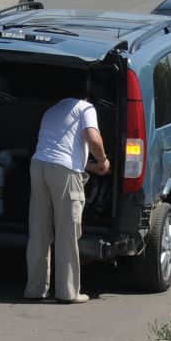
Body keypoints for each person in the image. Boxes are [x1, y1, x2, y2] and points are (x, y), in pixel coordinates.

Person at [24, 76, 110, 304]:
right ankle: (67, 292)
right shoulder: (85, 107)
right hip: (63, 173)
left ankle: (35, 289)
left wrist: (93, 166)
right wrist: (103, 159)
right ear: (86, 96)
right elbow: (93, 138)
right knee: (67, 232)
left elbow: (63, 154)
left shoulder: (52, 111)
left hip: (38, 167)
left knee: (39, 231)